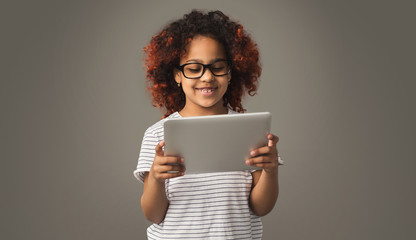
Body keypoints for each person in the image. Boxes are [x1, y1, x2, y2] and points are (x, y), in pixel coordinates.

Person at [134, 10, 283, 239]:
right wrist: (155, 176)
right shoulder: (157, 135)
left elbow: (261, 207)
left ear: (231, 72)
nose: (207, 77)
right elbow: (153, 214)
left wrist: (270, 171)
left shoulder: (248, 131)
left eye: (218, 67)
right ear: (177, 75)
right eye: (194, 68)